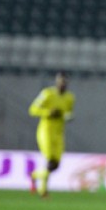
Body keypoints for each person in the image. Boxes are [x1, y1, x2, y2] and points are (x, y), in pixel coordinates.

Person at [29, 70, 75, 198]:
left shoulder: (70, 97)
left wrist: (65, 115)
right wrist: (48, 112)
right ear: (56, 81)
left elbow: (69, 114)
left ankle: (34, 175)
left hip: (59, 133)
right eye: (60, 81)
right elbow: (33, 109)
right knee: (51, 162)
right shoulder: (47, 94)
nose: (62, 84)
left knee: (56, 165)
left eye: (64, 82)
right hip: (46, 131)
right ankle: (43, 191)